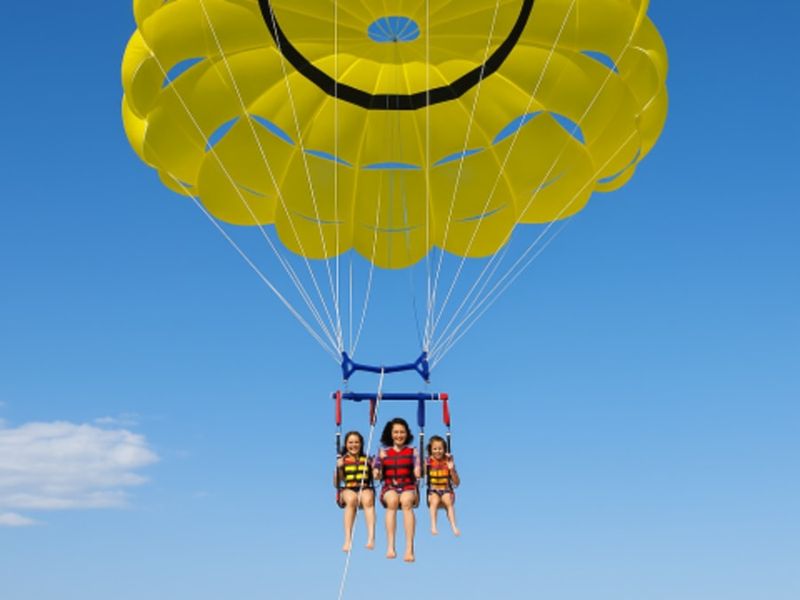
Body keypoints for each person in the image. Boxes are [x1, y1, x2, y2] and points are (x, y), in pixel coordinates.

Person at [374, 417, 420, 562]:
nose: (399, 435)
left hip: (408, 485)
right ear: (391, 434)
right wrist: (379, 462)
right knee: (393, 501)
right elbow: (376, 476)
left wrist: (418, 469)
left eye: (402, 432)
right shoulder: (383, 452)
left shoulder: (413, 451)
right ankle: (390, 546)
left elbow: (418, 469)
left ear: (407, 434)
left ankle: (409, 548)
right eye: (396, 432)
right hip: (389, 486)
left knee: (406, 501)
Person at [334, 431, 376, 552]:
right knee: (351, 500)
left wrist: (375, 469)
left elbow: (377, 477)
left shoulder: (367, 460)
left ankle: (371, 537)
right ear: (346, 444)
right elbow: (337, 483)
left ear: (361, 444)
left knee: (368, 499)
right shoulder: (343, 460)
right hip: (348, 489)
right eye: (351, 442)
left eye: (356, 442)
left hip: (364, 488)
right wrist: (339, 468)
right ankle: (347, 540)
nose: (354, 445)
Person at [426, 435, 461, 536]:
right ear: (431, 450)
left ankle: (454, 526)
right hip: (433, 491)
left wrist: (452, 469)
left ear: (444, 449)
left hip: (446, 490)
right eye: (435, 449)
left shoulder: (448, 462)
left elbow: (457, 482)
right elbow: (420, 474)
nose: (438, 451)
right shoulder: (428, 462)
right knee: (434, 501)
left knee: (448, 502)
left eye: (440, 448)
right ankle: (433, 526)